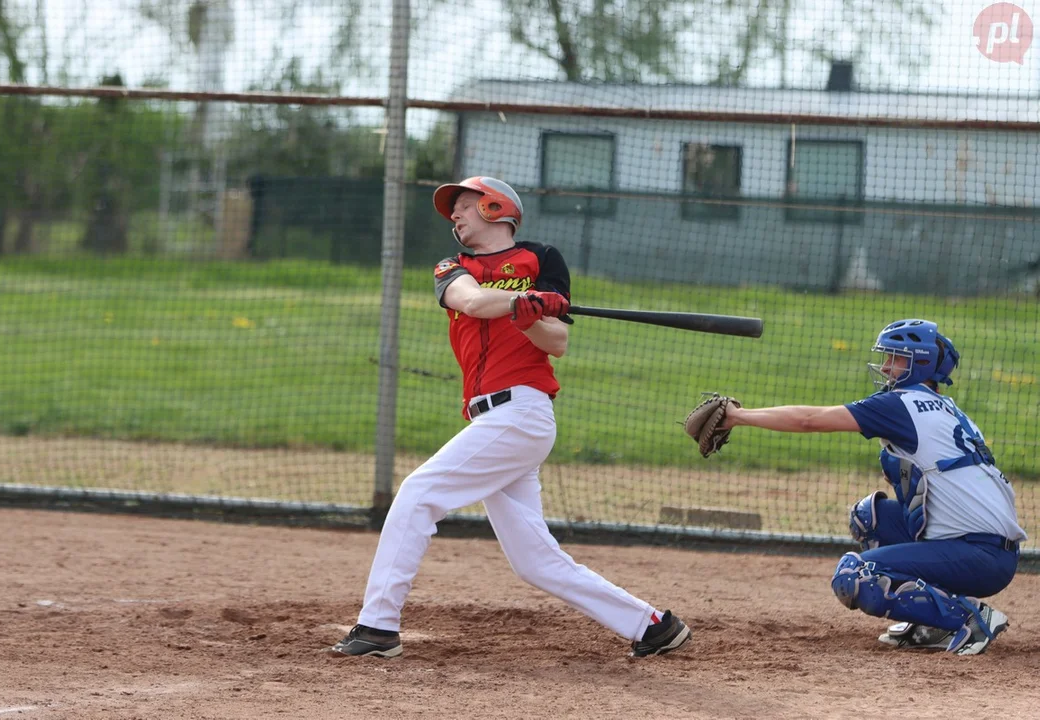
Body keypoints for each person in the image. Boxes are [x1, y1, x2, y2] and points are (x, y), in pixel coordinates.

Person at [330, 176, 690, 659]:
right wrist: (522, 302)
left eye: (463, 205)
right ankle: (653, 627)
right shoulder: (452, 265)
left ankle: (377, 627)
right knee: (535, 561)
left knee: (418, 493)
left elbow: (556, 342)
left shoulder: (542, 258)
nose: (454, 216)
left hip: (521, 412)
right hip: (493, 420)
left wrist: (533, 316)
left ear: (495, 206)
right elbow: (473, 302)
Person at [715, 319, 1025, 655]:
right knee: (870, 517)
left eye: (897, 358)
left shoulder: (900, 404)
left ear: (920, 363)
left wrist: (737, 416)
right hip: (985, 549)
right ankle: (930, 621)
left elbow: (809, 419)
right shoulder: (949, 408)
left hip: (978, 556)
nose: (886, 366)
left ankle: (969, 618)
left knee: (855, 575)